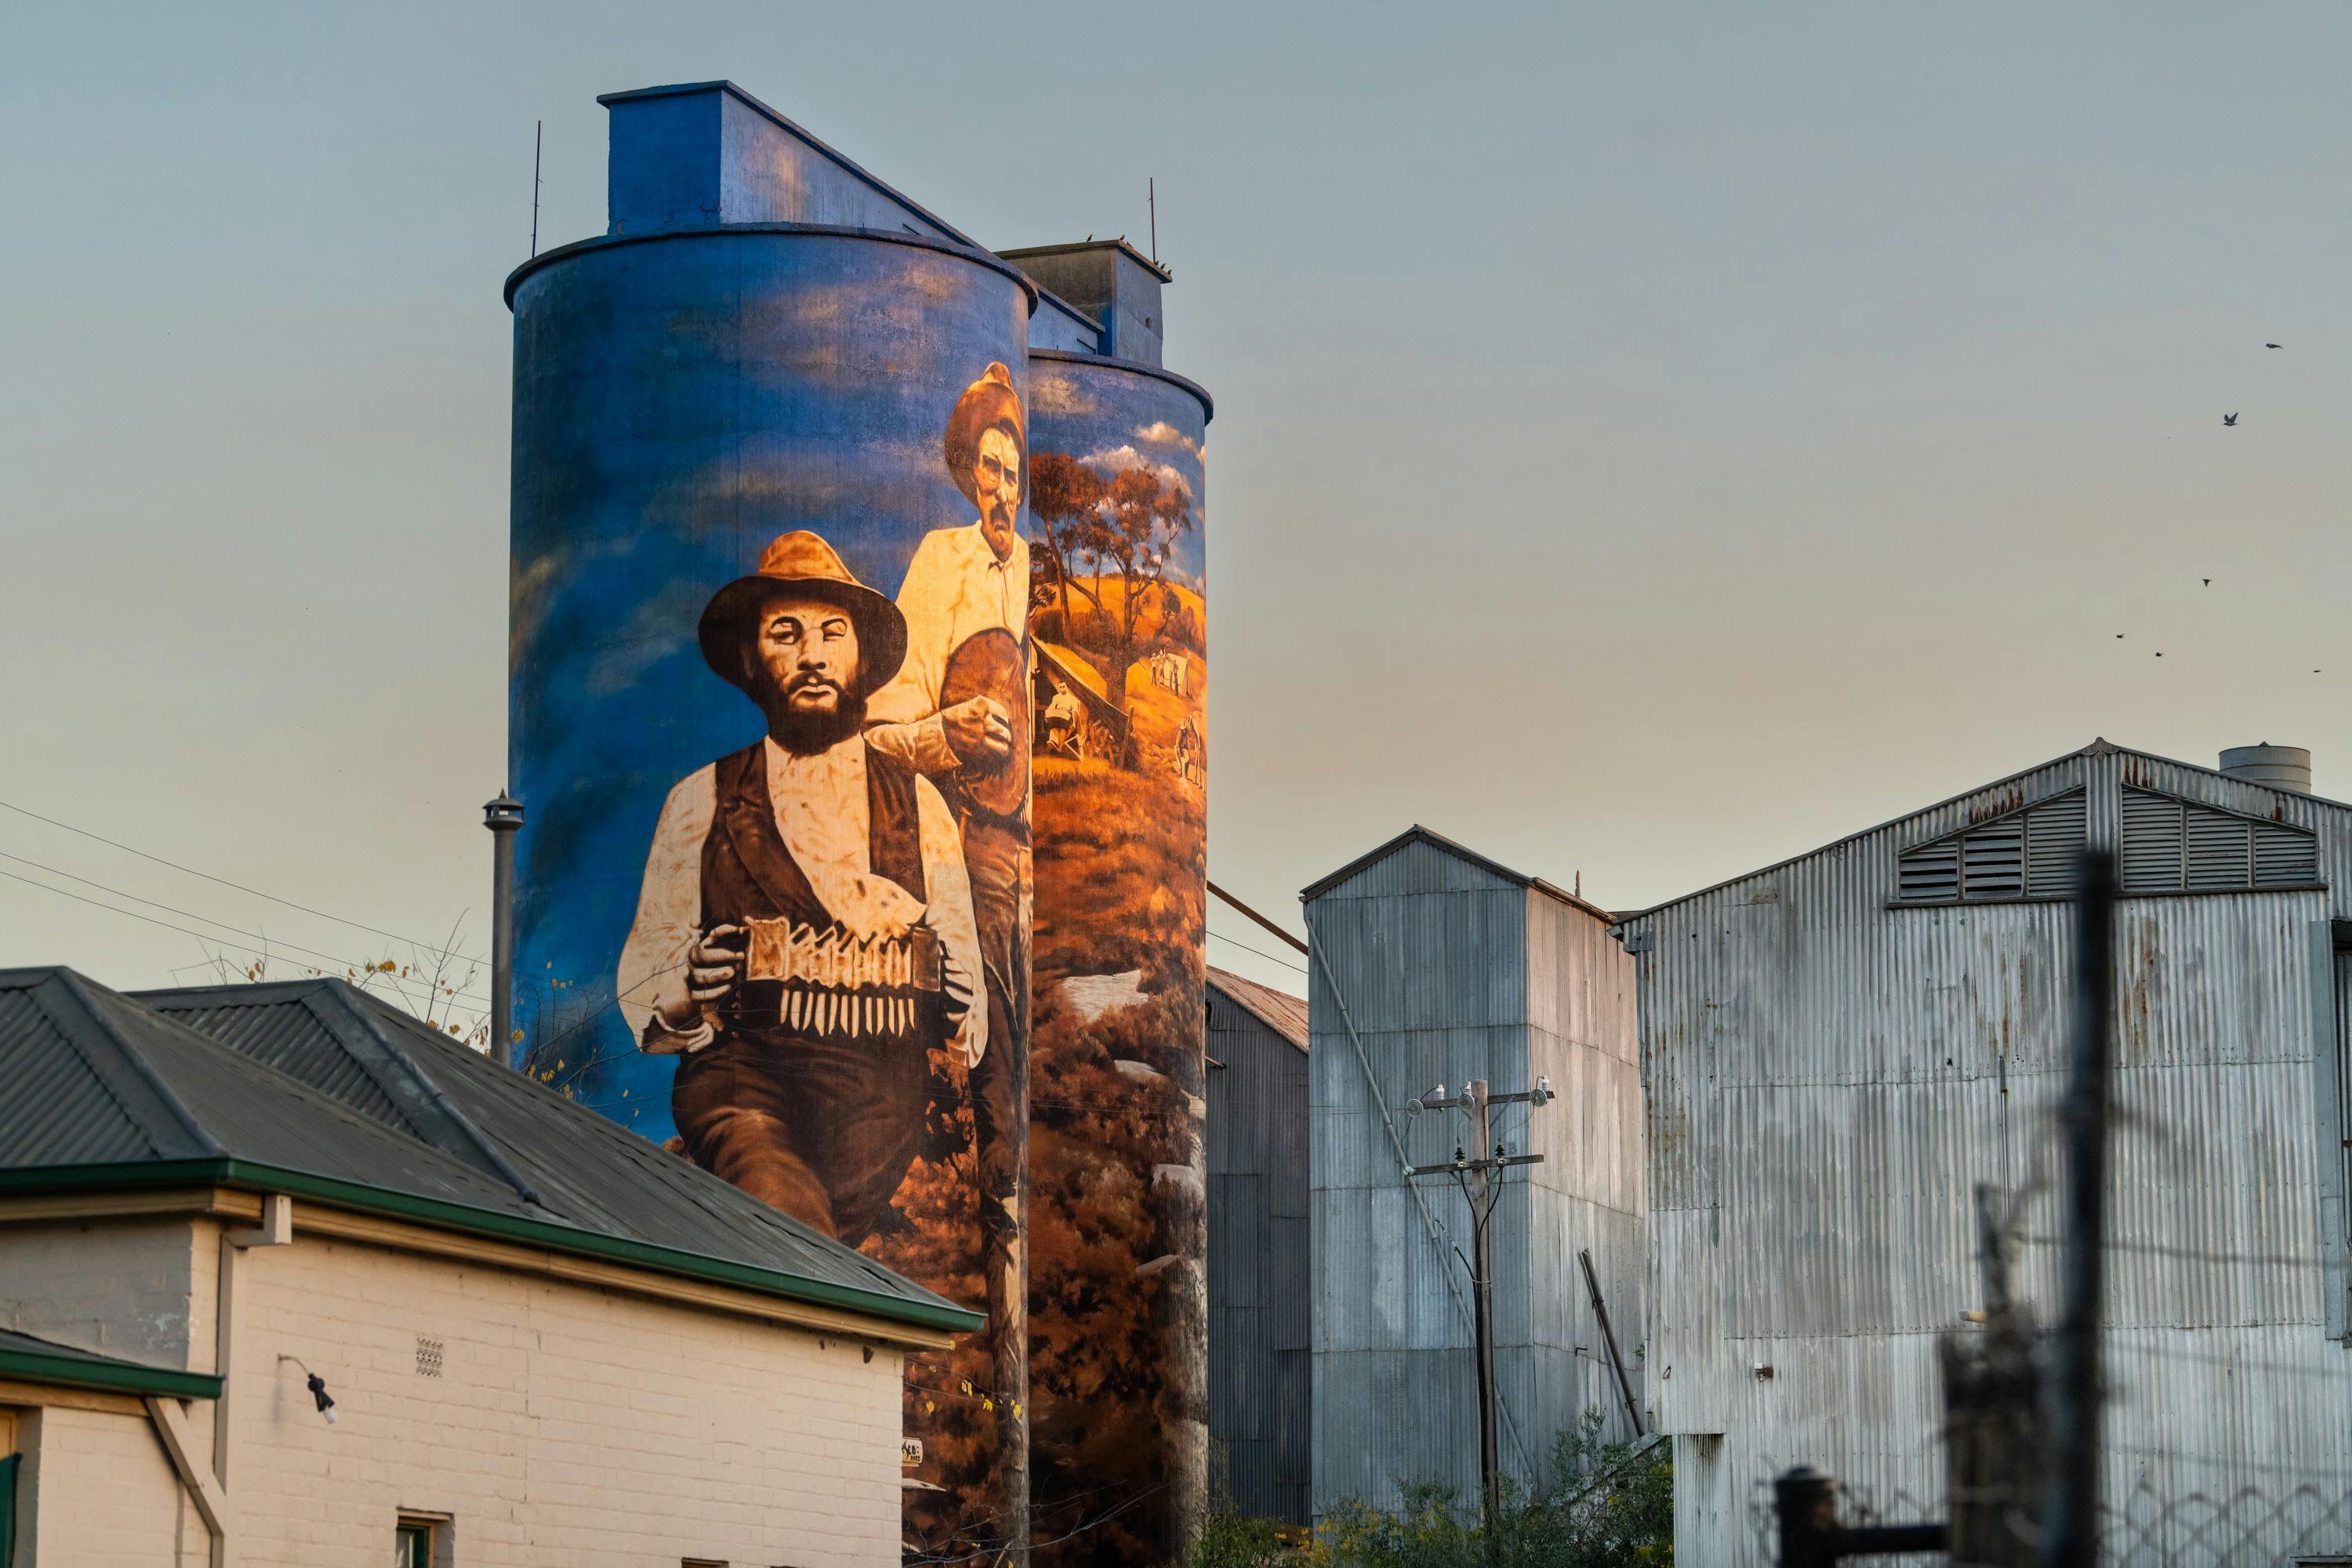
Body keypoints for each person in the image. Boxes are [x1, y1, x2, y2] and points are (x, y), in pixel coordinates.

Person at [616, 529, 984, 1246]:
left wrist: (955, 995)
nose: (812, 655)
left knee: (823, 1258)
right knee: (782, 1213)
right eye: (786, 635)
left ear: (861, 656)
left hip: (879, 1107)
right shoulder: (700, 799)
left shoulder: (920, 806)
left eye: (831, 634)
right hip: (742, 1086)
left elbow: (965, 977)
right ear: (755, 659)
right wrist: (688, 980)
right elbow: (646, 963)